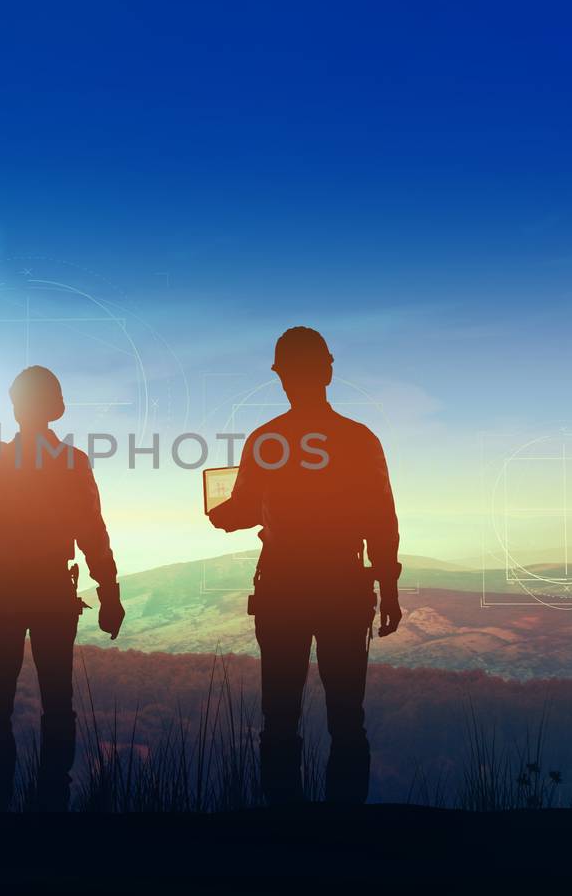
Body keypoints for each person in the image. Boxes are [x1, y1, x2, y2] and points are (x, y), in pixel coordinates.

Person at [207, 326, 401, 805]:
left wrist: (221, 515)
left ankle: (283, 832)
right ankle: (344, 833)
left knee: (279, 716)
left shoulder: (267, 440)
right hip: (343, 587)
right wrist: (389, 589)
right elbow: (381, 520)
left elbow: (245, 509)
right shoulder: (358, 439)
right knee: (346, 719)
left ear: (282, 377)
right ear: (328, 370)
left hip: (281, 587)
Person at [0, 362, 124, 812]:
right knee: (58, 701)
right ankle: (52, 802)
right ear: (56, 408)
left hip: (4, 593)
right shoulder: (71, 464)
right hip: (52, 594)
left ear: (17, 409)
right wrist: (109, 593)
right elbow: (93, 535)